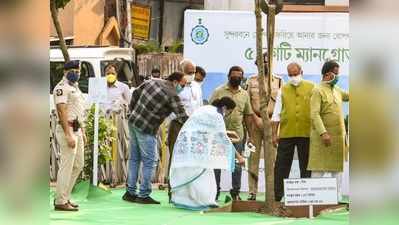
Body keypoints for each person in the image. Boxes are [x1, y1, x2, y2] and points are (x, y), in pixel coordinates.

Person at [122, 72, 188, 204]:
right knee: (150, 161)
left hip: (134, 121)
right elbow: (182, 115)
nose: (183, 87)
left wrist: (132, 111)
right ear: (175, 82)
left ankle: (130, 192)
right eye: (183, 84)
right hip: (146, 128)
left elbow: (135, 94)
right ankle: (144, 194)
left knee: (134, 158)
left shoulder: (152, 81)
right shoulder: (173, 94)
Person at [169, 97, 245, 210]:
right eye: (229, 111)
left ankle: (184, 200)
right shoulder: (217, 115)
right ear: (225, 108)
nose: (228, 114)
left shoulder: (205, 109)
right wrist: (239, 157)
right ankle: (203, 201)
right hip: (197, 149)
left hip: (185, 145)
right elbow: (223, 138)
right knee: (202, 174)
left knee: (187, 172)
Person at [271, 62, 315, 210]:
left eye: (295, 74)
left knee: (306, 165)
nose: (293, 77)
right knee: (281, 165)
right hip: (286, 133)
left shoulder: (312, 87)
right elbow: (276, 113)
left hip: (306, 133)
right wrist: (274, 134)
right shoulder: (283, 89)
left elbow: (316, 110)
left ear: (301, 71)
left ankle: (305, 197)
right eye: (290, 75)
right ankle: (278, 196)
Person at [209, 66, 254, 201]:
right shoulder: (219, 91)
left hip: (237, 135)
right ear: (228, 76)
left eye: (239, 76)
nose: (236, 78)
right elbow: (211, 110)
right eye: (234, 76)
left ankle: (235, 193)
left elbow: (248, 115)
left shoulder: (245, 94)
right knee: (216, 165)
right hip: (218, 135)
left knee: (236, 165)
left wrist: (250, 136)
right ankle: (215, 192)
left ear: (242, 78)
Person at [308, 60, 349, 201]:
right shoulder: (317, 90)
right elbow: (314, 114)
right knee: (318, 168)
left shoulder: (337, 90)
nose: (338, 76)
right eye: (335, 74)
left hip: (338, 138)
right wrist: (323, 132)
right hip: (322, 137)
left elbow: (349, 96)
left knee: (336, 169)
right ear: (327, 74)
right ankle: (314, 198)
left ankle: (335, 198)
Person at [246, 52, 283, 201]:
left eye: (268, 62)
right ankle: (252, 192)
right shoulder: (251, 81)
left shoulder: (279, 81)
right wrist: (256, 119)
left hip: (272, 124)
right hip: (255, 124)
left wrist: (272, 122)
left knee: (273, 159)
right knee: (253, 159)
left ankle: (272, 192)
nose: (266, 64)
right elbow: (247, 103)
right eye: (263, 62)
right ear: (257, 64)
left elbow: (281, 104)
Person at [53, 60, 86, 211]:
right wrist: (68, 134)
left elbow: (78, 111)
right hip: (68, 129)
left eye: (78, 70)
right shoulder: (61, 88)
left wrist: (83, 131)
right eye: (74, 70)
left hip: (77, 129)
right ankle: (60, 200)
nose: (77, 73)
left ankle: (65, 196)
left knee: (78, 165)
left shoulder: (75, 88)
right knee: (67, 166)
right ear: (66, 71)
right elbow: (61, 111)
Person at [167, 59, 199, 200]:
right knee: (175, 157)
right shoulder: (176, 86)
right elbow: (171, 106)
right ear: (182, 72)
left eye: (193, 72)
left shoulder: (197, 86)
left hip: (194, 126)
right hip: (178, 124)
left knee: (191, 159)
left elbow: (198, 105)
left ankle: (188, 191)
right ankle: (172, 191)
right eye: (189, 72)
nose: (191, 75)